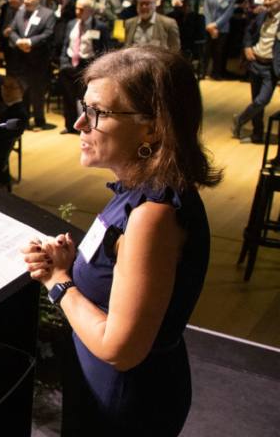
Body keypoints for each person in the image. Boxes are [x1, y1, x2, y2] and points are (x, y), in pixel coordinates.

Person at [24, 46, 220, 437]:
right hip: (115, 389)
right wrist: (75, 261)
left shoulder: (154, 216)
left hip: (123, 403)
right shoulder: (141, 190)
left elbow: (121, 349)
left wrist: (58, 282)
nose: (80, 122)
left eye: (97, 112)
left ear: (153, 127)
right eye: (84, 106)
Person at [234, 0, 280, 144]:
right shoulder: (260, 16)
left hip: (270, 68)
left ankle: (240, 119)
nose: (266, 2)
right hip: (256, 64)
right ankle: (257, 134)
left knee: (262, 100)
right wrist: (247, 47)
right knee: (257, 102)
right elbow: (249, 31)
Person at [60, 0, 112, 135]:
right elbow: (66, 44)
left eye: (81, 9)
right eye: (76, 8)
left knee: (85, 100)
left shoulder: (99, 26)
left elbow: (105, 49)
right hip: (69, 64)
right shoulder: (71, 23)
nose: (77, 11)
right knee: (69, 98)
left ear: (90, 10)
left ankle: (87, 127)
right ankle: (70, 126)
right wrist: (63, 62)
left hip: (88, 66)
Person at [9, 0, 57, 131]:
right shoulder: (20, 13)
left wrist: (29, 42)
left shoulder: (48, 14)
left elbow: (48, 33)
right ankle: (22, 122)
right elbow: (12, 30)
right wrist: (19, 42)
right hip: (21, 60)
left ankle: (39, 122)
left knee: (37, 93)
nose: (26, 1)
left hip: (38, 60)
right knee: (22, 93)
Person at [201, 0, 236, 80]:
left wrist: (216, 25)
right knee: (206, 51)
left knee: (218, 52)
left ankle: (216, 74)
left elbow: (228, 13)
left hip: (223, 28)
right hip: (209, 28)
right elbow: (206, 11)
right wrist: (210, 25)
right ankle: (203, 73)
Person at [0, 0, 25, 71]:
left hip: (23, 50)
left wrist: (12, 30)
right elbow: (5, 27)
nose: (9, 0)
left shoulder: (29, 11)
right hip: (10, 49)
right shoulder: (10, 9)